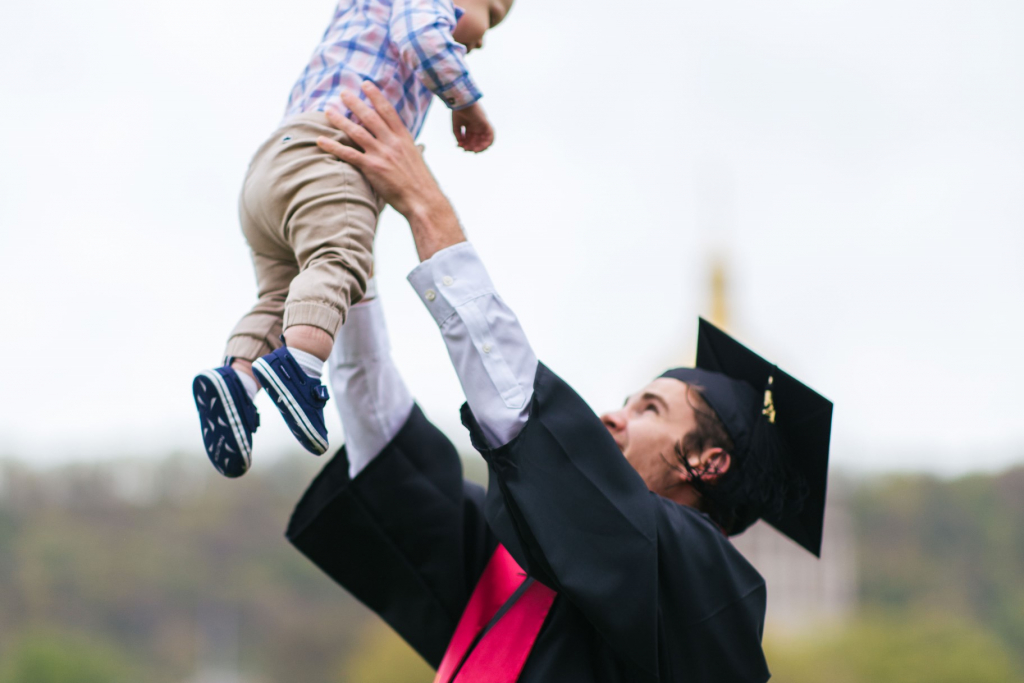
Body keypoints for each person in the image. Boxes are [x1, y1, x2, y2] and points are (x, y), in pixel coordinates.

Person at [286, 83, 834, 682]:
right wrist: (344, 259)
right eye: (628, 402)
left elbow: (527, 419)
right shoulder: (526, 572)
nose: (610, 417)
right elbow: (387, 444)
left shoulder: (705, 592)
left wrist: (426, 205)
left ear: (710, 462)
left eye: (651, 409)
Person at [191, 0, 515, 478]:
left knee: (282, 297)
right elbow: (423, 38)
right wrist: (465, 102)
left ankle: (237, 382)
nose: (484, 39)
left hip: (270, 170)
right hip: (330, 156)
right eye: (494, 13)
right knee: (340, 259)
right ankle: (299, 366)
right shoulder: (421, 7)